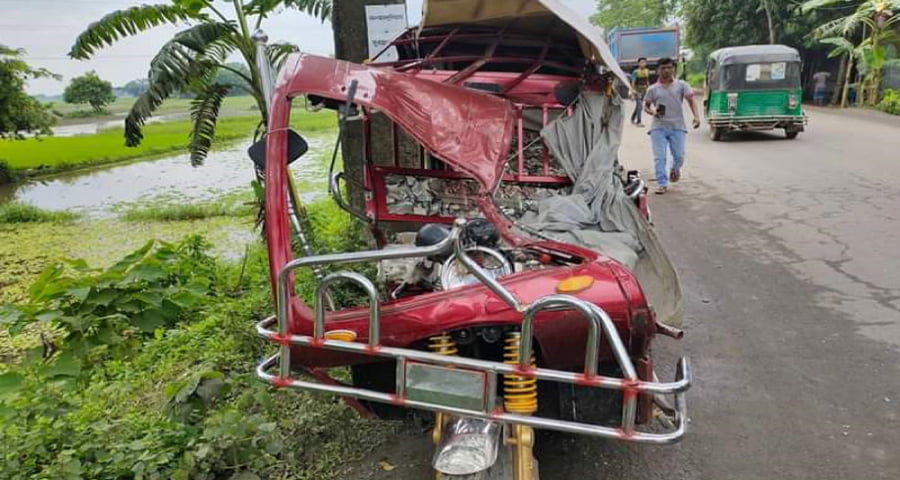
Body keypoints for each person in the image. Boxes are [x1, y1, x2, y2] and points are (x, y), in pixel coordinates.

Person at [643, 57, 701, 195]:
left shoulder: (681, 85)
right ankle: (662, 183)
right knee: (660, 157)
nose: (667, 70)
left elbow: (691, 100)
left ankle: (675, 169)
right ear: (658, 70)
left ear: (674, 69)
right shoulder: (652, 89)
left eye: (669, 67)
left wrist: (696, 117)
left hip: (677, 126)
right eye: (663, 68)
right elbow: (646, 106)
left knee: (679, 156)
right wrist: (653, 112)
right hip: (658, 127)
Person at [630, 57, 652, 126]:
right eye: (641, 62)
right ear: (638, 63)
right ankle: (639, 122)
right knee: (640, 106)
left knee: (638, 106)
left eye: (644, 62)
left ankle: (632, 118)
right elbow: (633, 82)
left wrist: (649, 89)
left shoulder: (647, 71)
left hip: (644, 90)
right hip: (637, 91)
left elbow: (647, 81)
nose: (643, 64)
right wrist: (632, 92)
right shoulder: (635, 72)